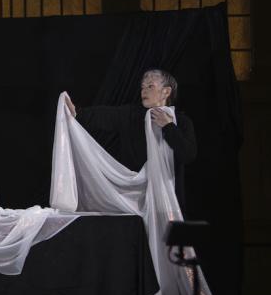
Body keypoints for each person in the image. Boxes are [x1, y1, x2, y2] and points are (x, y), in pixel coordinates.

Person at [65, 68, 196, 210]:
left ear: (166, 91)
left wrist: (168, 126)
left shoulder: (181, 122)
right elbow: (105, 115)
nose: (144, 91)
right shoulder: (131, 115)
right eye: (142, 87)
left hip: (169, 205)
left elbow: (188, 154)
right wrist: (78, 113)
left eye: (150, 86)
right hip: (135, 203)